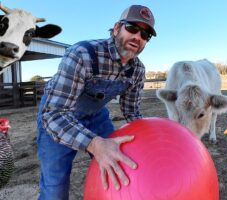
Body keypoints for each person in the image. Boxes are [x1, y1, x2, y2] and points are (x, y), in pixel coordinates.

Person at [36, 5, 157, 200]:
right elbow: (53, 114)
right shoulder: (83, 54)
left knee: (122, 165)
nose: (138, 37)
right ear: (117, 28)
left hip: (96, 117)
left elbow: (132, 113)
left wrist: (151, 141)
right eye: (133, 28)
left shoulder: (137, 71)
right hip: (58, 115)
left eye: (145, 35)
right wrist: (95, 144)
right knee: (55, 189)